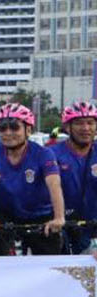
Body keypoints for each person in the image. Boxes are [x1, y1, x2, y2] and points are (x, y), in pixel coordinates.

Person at [0, 102, 66, 255]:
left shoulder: (43, 154)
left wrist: (59, 217)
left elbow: (54, 186)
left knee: (49, 246)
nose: (8, 133)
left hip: (40, 215)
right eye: (2, 128)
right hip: (6, 215)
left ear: (28, 130)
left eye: (14, 127)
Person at [51, 101, 97, 252]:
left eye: (90, 123)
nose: (86, 128)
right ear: (67, 127)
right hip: (61, 227)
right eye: (79, 123)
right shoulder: (51, 154)